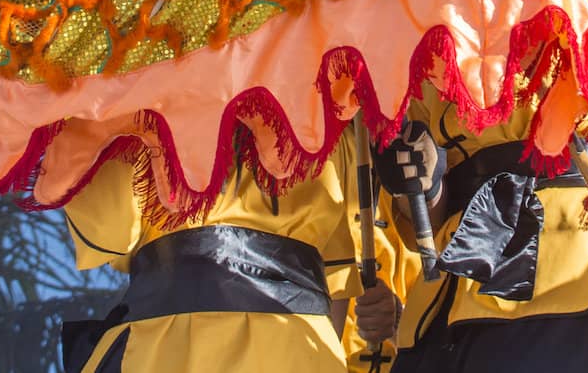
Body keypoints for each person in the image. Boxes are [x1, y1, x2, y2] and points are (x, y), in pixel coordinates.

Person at [376, 77, 588, 373]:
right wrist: (423, 187)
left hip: (566, 267)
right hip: (454, 280)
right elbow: (423, 230)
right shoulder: (426, 49)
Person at [60, 141, 400, 372]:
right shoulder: (322, 99)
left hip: (169, 344)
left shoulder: (139, 97)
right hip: (295, 345)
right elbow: (332, 283)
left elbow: (109, 234)